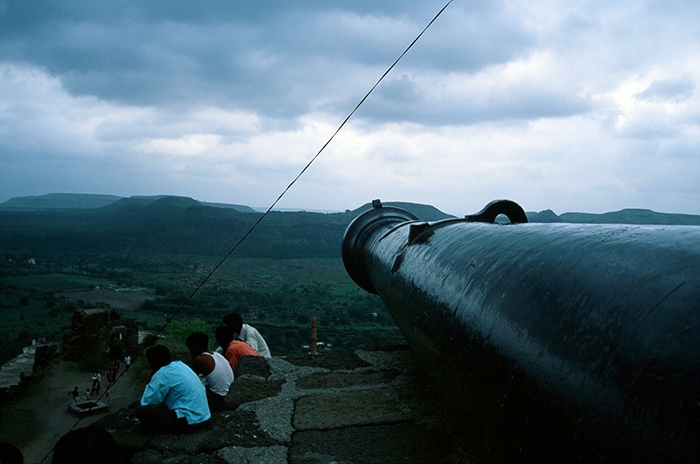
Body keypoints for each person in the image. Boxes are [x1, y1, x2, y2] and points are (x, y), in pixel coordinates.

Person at [134, 345, 210, 433]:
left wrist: (150, 382)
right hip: (204, 416)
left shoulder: (161, 375)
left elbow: (147, 403)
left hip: (189, 420)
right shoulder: (180, 365)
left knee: (142, 412)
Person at [185, 332, 234, 409]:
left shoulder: (199, 359)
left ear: (194, 348)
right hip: (230, 391)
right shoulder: (217, 354)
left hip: (217, 397)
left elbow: (190, 380)